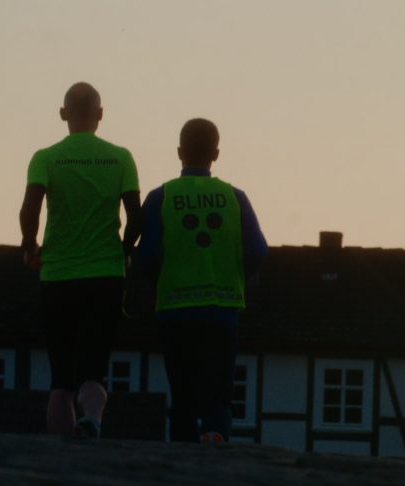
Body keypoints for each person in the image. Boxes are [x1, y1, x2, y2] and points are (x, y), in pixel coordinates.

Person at [19, 82, 142, 439]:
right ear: (100, 115)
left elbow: (31, 207)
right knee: (93, 369)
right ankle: (92, 420)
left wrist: (30, 245)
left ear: (63, 114)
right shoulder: (121, 157)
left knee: (61, 378)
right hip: (105, 274)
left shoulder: (45, 157)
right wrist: (124, 252)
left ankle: (60, 451)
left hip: (57, 275)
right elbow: (136, 217)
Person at [137, 118, 267, 443]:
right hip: (221, 310)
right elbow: (257, 250)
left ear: (179, 152)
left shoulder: (160, 198)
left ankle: (182, 463)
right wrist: (240, 276)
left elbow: (148, 255)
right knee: (218, 395)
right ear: (216, 154)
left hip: (175, 310)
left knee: (182, 395)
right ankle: (216, 442)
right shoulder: (235, 198)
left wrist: (159, 283)